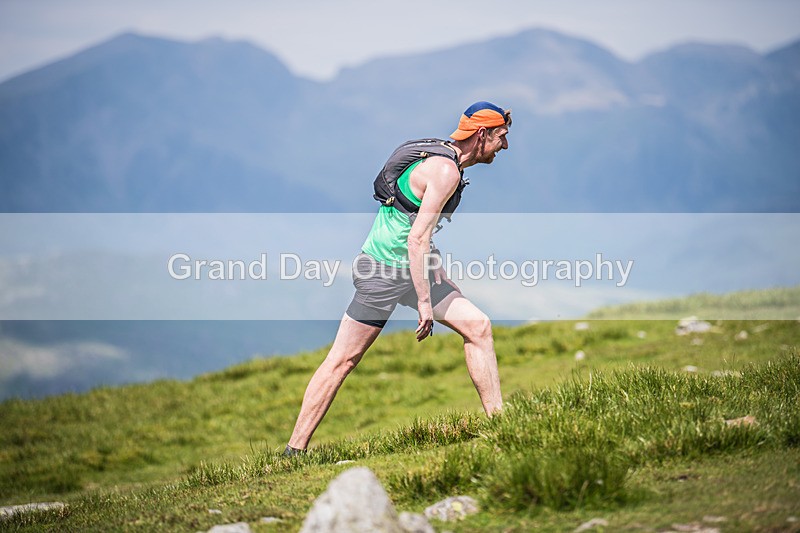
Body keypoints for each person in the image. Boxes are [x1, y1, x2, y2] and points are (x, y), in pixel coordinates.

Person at [284, 101, 511, 456]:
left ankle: (502, 428)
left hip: (413, 268)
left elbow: (413, 224)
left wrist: (435, 267)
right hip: (383, 272)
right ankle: (294, 450)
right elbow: (415, 237)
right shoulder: (445, 171)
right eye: (502, 137)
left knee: (478, 327)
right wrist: (424, 301)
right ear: (482, 135)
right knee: (343, 360)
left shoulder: (440, 156)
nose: (505, 146)